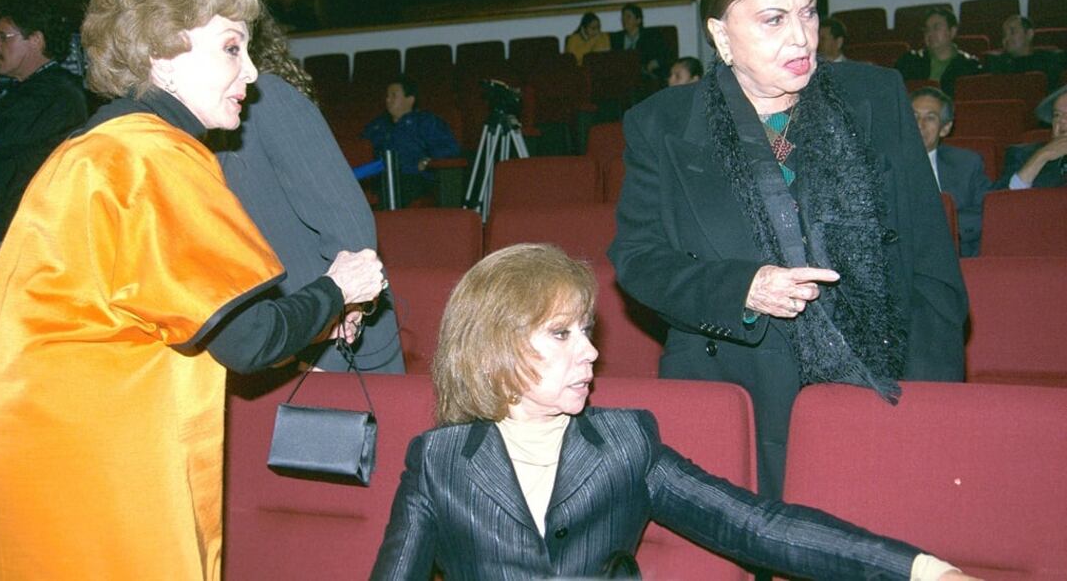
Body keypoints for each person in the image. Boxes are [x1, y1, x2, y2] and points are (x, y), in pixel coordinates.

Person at [0, 0, 387, 579]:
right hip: (95, 465)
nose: (251, 73)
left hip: (45, 451)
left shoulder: (99, 145)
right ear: (162, 58)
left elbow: (188, 320)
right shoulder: (156, 155)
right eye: (231, 48)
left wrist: (312, 315)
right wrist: (338, 290)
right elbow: (248, 342)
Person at [371, 243, 979, 581]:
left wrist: (921, 571)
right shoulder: (439, 460)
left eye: (586, 330)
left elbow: (757, 526)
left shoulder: (624, 444)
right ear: (494, 347)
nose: (591, 352)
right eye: (562, 335)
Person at [608, 0, 967, 499]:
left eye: (808, 12)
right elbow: (638, 260)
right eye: (774, 19)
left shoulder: (876, 95)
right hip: (738, 391)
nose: (801, 37)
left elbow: (931, 263)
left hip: (882, 384)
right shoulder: (660, 124)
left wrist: (929, 397)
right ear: (721, 34)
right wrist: (742, 288)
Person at [212, 7, 405, 372]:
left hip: (332, 344)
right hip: (266, 345)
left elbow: (349, 227)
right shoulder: (183, 132)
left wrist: (330, 331)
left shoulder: (266, 99)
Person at [0, 0, 88, 242]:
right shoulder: (39, 88)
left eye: (4, 37)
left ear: (36, 40)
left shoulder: (54, 94)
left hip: (34, 234)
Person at [911, 87, 991, 256]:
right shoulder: (879, 164)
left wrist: (940, 226)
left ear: (945, 128)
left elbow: (987, 212)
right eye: (913, 116)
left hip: (953, 257)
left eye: (930, 118)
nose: (919, 125)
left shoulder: (967, 164)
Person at [361, 75, 461, 207]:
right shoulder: (377, 125)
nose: (388, 100)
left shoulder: (425, 122)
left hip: (413, 178)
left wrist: (427, 160)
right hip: (380, 177)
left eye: (393, 95)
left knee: (397, 191)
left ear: (410, 100)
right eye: (387, 96)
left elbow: (450, 148)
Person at [895, 8, 981, 97]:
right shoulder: (910, 62)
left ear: (952, 31)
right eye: (927, 29)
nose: (930, 33)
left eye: (936, 28)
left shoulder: (969, 66)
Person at [995, 84, 1067, 189]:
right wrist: (1041, 157)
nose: (1062, 120)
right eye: (1057, 115)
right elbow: (1002, 201)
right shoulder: (1023, 155)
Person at [985, 15, 1065, 92]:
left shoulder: (1051, 60)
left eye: (1012, 32)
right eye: (1004, 35)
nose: (1007, 39)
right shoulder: (997, 64)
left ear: (1029, 34)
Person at [610, 3, 670, 84]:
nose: (624, 20)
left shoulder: (651, 36)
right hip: (623, 76)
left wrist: (655, 63)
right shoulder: (616, 38)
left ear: (638, 20)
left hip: (644, 75)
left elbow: (666, 55)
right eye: (623, 17)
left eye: (628, 17)